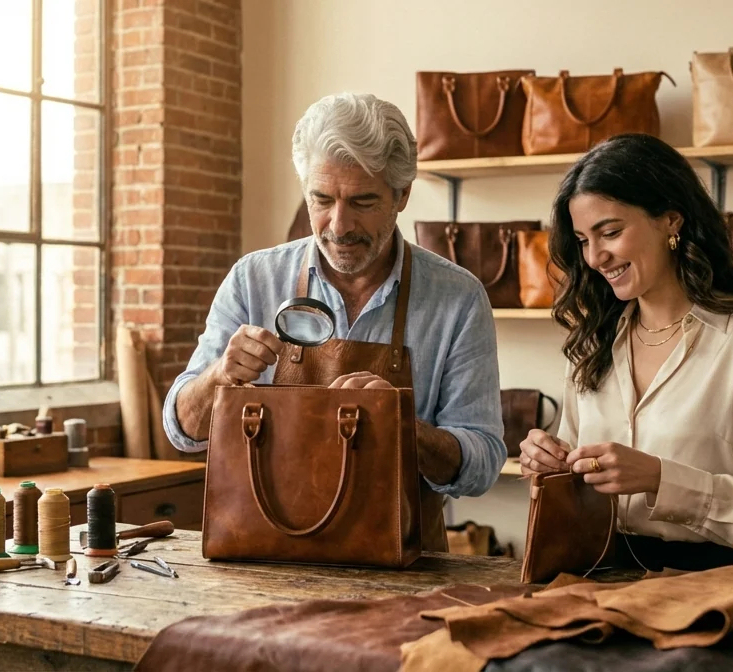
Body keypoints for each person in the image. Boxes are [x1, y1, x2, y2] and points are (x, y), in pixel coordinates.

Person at [162, 92, 507, 551]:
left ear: (402, 195)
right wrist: (219, 378)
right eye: (321, 200)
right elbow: (182, 431)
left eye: (363, 201)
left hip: (405, 566)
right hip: (266, 557)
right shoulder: (254, 280)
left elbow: (483, 463)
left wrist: (400, 424)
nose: (338, 226)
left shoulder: (458, 298)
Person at [517, 133, 733, 571]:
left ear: (671, 220)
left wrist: (660, 479)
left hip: (714, 583)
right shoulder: (591, 340)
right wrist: (549, 467)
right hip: (595, 573)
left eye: (610, 232)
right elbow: (579, 483)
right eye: (582, 240)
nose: (596, 257)